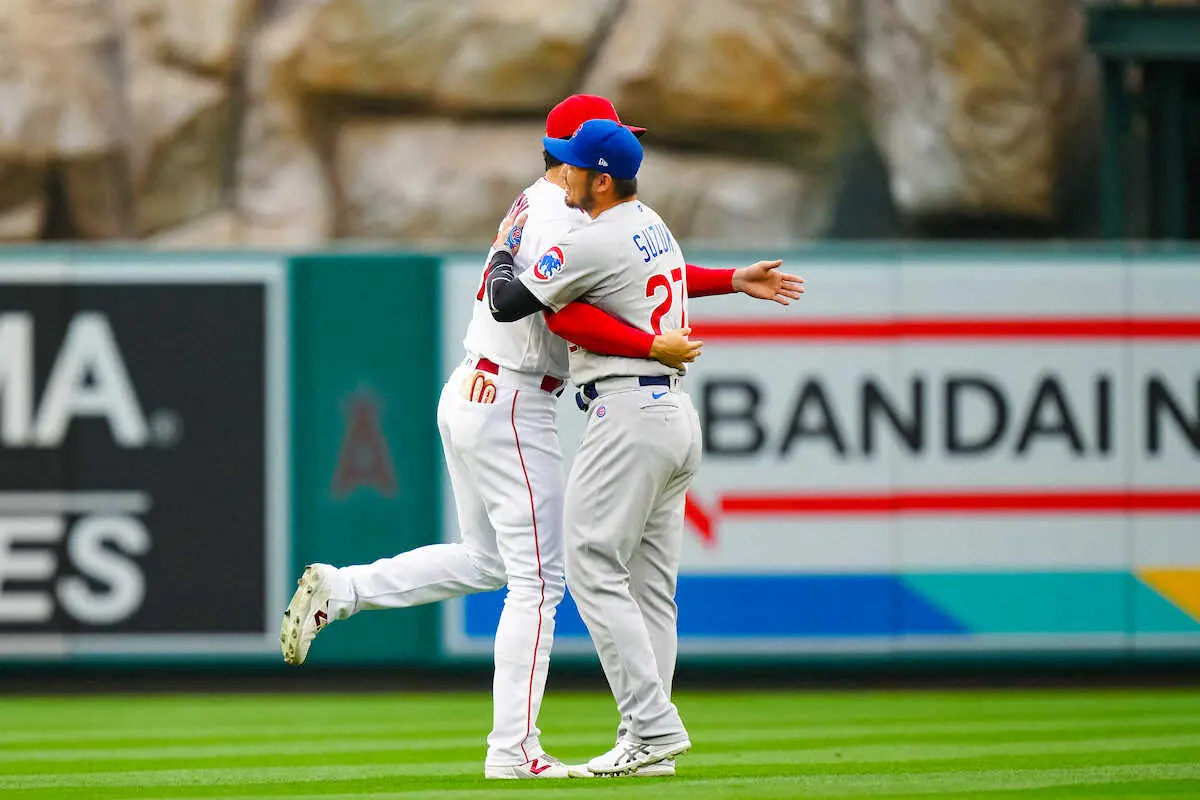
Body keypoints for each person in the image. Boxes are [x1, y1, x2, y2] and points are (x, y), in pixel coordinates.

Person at [280, 97, 802, 780]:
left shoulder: (558, 207)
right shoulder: (566, 214)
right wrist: (649, 342)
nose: (612, 152)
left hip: (478, 387)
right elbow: (551, 316)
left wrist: (728, 280)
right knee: (542, 581)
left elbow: (639, 276)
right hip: (515, 398)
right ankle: (515, 750)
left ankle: (344, 590)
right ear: (576, 163)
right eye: (599, 145)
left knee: (491, 561)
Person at [484, 118, 802, 777]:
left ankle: (654, 727)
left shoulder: (591, 237)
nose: (561, 171)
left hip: (628, 410)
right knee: (651, 587)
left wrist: (505, 244)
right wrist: (734, 280)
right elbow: (624, 292)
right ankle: (644, 741)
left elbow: (510, 302)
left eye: (572, 165)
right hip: (673, 414)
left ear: (601, 179)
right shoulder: (649, 221)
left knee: (593, 564)